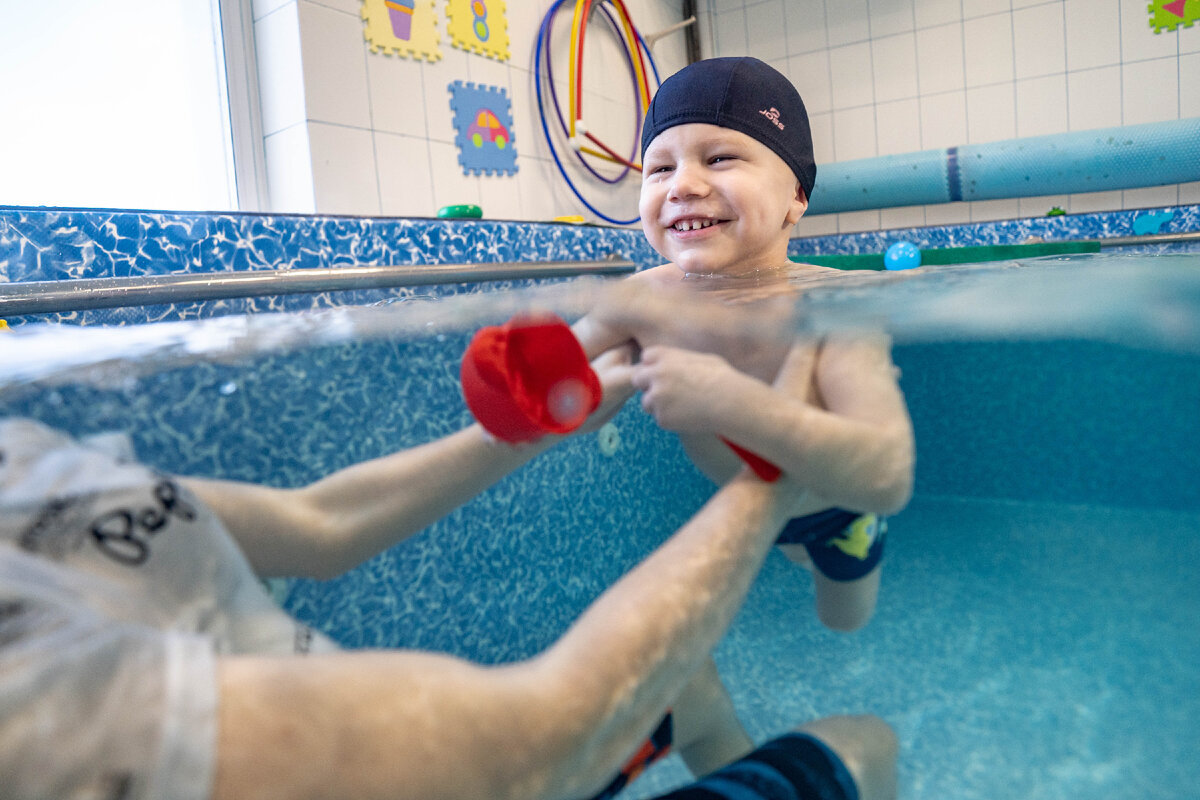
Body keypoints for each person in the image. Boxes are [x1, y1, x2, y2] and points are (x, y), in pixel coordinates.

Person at [0, 339, 897, 800]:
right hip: (500, 771)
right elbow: (541, 743)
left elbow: (321, 524)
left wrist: (535, 423)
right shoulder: (34, 707)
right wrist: (772, 468)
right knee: (865, 745)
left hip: (471, 765)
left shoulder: (22, 465)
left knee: (687, 684)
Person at [570, 56, 917, 782]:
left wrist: (732, 405)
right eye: (658, 169)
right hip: (736, 507)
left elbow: (887, 475)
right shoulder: (641, 298)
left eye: (720, 155)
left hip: (838, 505)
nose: (682, 184)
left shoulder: (835, 306)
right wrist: (564, 390)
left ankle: (852, 545)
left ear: (796, 196)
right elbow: (557, 379)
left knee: (841, 619)